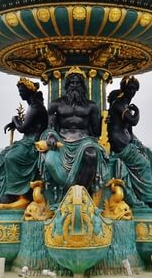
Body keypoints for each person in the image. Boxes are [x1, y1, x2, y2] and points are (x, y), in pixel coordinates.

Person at [39, 67, 108, 202]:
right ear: (66, 86)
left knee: (91, 155)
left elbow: (96, 131)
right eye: (71, 83)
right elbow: (50, 128)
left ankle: (80, 195)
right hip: (62, 142)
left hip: (85, 141)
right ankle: (69, 193)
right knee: (49, 161)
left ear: (83, 85)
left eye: (78, 83)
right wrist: (51, 137)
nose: (74, 86)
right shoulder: (56, 104)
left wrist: (106, 123)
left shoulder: (91, 106)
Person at [0, 78, 48, 210]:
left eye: (22, 91)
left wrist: (14, 119)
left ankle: (15, 193)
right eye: (19, 91)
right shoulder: (31, 107)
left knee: (11, 157)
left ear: (29, 91)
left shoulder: (36, 107)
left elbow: (22, 128)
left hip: (33, 143)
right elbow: (25, 126)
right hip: (24, 141)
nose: (20, 94)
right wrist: (16, 123)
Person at [107, 76, 152, 208]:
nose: (132, 91)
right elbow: (133, 121)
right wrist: (137, 111)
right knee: (145, 164)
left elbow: (129, 130)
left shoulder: (126, 106)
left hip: (129, 143)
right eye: (130, 88)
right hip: (120, 145)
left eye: (135, 89)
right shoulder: (119, 104)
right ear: (123, 89)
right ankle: (150, 199)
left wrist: (138, 143)